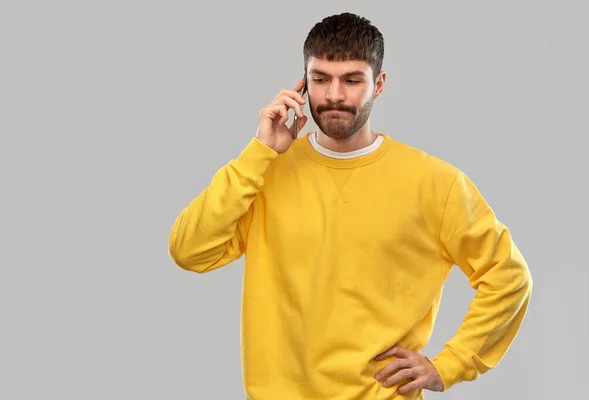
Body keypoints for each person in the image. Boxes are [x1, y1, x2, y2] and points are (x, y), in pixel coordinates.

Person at [167, 12, 533, 400]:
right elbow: (190, 251)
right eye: (320, 79)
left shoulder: (435, 183)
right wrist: (258, 154)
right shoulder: (264, 173)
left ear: (379, 83)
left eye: (352, 80)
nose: (335, 95)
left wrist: (450, 365)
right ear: (302, 84)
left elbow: (508, 278)